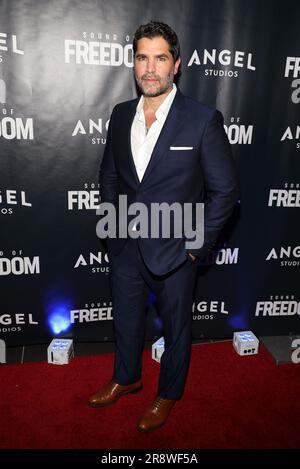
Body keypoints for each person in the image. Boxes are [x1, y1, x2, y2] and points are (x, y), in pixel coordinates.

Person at [89, 21, 239, 432]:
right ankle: (127, 376)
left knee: (176, 328)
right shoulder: (121, 115)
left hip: (176, 250)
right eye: (142, 57)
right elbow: (109, 176)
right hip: (125, 245)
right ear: (133, 63)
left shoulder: (203, 120)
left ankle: (168, 393)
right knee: (125, 318)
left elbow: (225, 192)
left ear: (176, 65)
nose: (149, 68)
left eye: (160, 58)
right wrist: (112, 226)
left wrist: (195, 246)